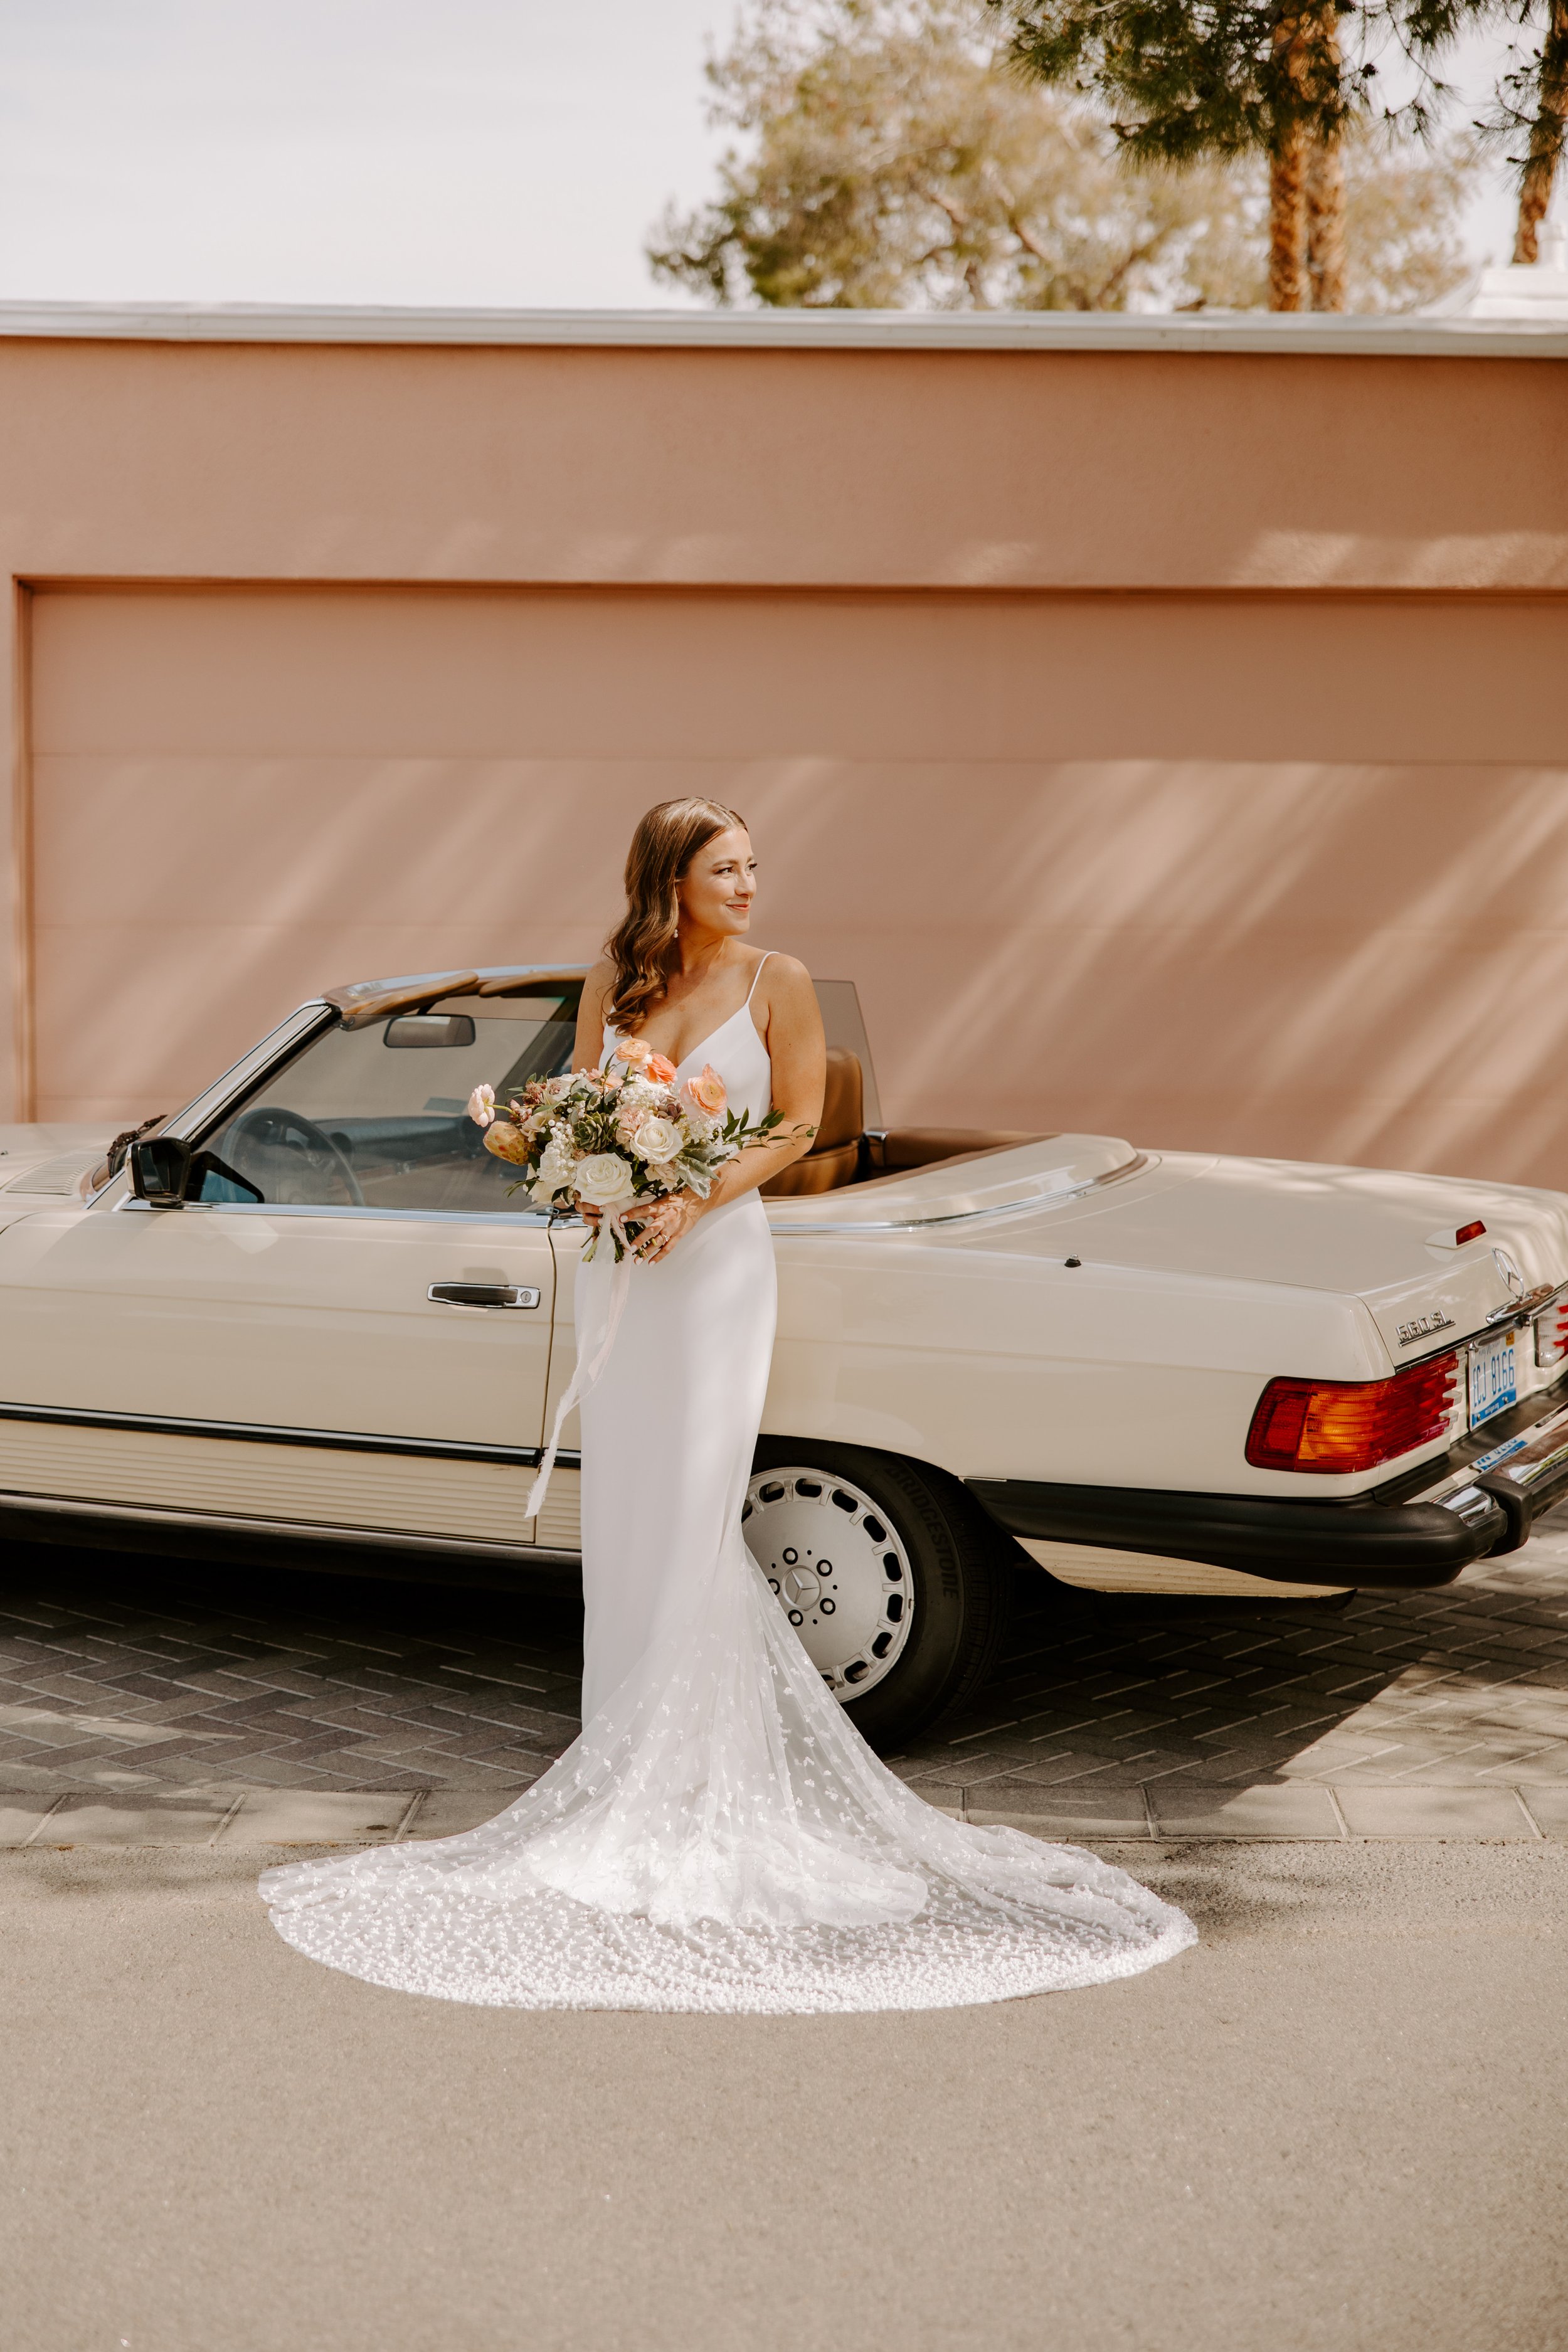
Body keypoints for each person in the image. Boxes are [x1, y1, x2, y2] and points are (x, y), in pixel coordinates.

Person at [260, 798, 1194, 2011]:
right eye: (726, 868)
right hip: (620, 1269)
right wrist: (565, 1161)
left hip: (712, 1266)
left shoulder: (778, 980)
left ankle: (693, 1781)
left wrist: (689, 1197)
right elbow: (571, 1104)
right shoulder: (617, 976)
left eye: (755, 866)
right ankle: (622, 1764)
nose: (749, 886)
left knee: (697, 1503)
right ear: (670, 878)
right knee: (631, 1506)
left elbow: (797, 1118)